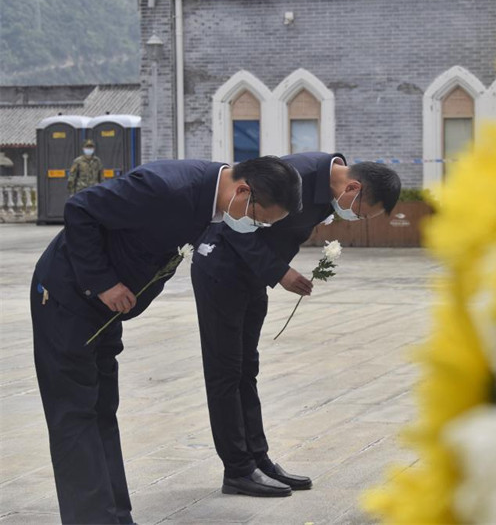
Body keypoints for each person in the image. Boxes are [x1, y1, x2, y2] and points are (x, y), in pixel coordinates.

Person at [31, 157, 302, 524]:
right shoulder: (166, 186)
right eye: (257, 219)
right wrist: (104, 282)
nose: (252, 226)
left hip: (104, 308)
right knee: (75, 414)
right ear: (243, 191)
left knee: (100, 410)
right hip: (66, 295)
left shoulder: (211, 201)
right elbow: (80, 208)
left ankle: (113, 516)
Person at [190, 153, 401, 497]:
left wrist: (273, 271)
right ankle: (238, 469)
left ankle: (259, 459)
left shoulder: (331, 191)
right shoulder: (293, 176)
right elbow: (234, 221)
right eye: (360, 212)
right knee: (225, 372)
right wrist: (280, 272)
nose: (353, 218)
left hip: (252, 277)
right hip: (221, 271)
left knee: (247, 370)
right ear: (353, 187)